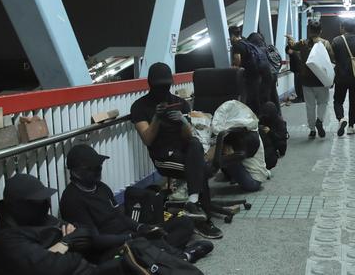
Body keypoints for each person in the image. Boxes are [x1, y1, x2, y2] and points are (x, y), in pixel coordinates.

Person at [59, 145, 215, 263]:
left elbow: (119, 216)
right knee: (143, 242)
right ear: (75, 172)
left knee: (184, 223)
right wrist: (133, 235)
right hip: (109, 249)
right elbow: (95, 241)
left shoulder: (101, 187)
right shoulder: (72, 199)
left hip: (128, 235)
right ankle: (180, 257)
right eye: (92, 169)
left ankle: (162, 255)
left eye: (99, 167)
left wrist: (141, 227)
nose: (98, 171)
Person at [131, 62, 222, 238]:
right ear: (151, 85)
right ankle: (202, 219)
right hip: (162, 154)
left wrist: (182, 121)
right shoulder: (140, 107)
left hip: (183, 148)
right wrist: (157, 117)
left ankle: (193, 202)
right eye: (159, 86)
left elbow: (188, 137)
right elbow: (148, 139)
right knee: (201, 170)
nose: (163, 90)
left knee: (195, 143)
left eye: (166, 85)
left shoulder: (179, 103)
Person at [0, 174, 129, 275]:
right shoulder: (7, 240)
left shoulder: (37, 219)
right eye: (38, 202)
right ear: (20, 207)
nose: (45, 205)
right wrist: (66, 243)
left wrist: (65, 245)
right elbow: (53, 266)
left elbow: (84, 232)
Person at [286, 21, 335, 138]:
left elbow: (292, 46)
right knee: (323, 102)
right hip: (321, 80)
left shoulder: (303, 43)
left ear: (310, 30)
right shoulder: (325, 43)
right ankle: (320, 121)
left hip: (306, 80)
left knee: (310, 105)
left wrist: (290, 38)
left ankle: (312, 130)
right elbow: (332, 59)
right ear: (320, 31)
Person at [331, 18, 355, 136]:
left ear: (343, 27)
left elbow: (332, 59)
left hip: (340, 76)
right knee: (354, 101)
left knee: (338, 101)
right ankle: (351, 126)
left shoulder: (336, 40)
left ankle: (341, 119)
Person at [230, 26, 266, 114]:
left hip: (249, 74)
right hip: (258, 71)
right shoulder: (245, 41)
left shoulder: (237, 45)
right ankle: (259, 116)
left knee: (249, 98)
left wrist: (233, 67)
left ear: (232, 35)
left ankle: (254, 118)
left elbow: (237, 61)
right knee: (256, 97)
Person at [247, 32, 280, 115]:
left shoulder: (256, 51)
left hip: (265, 77)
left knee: (265, 98)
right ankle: (278, 114)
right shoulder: (267, 48)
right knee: (274, 96)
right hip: (274, 74)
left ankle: (268, 117)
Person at [258, 101, 288, 169]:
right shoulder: (263, 118)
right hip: (268, 141)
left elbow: (281, 137)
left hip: (277, 141)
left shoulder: (279, 121)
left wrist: (270, 132)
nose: (267, 116)